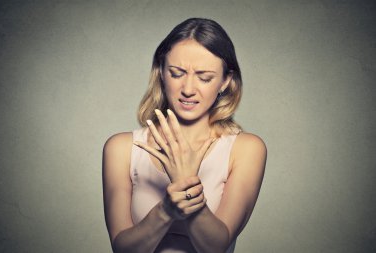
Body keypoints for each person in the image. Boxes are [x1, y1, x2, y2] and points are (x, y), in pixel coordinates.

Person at [102, 17, 267, 253]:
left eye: (204, 77)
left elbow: (216, 246)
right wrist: (166, 210)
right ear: (161, 71)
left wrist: (186, 185)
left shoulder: (246, 149)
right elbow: (123, 249)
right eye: (177, 73)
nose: (188, 89)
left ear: (225, 81)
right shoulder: (121, 148)